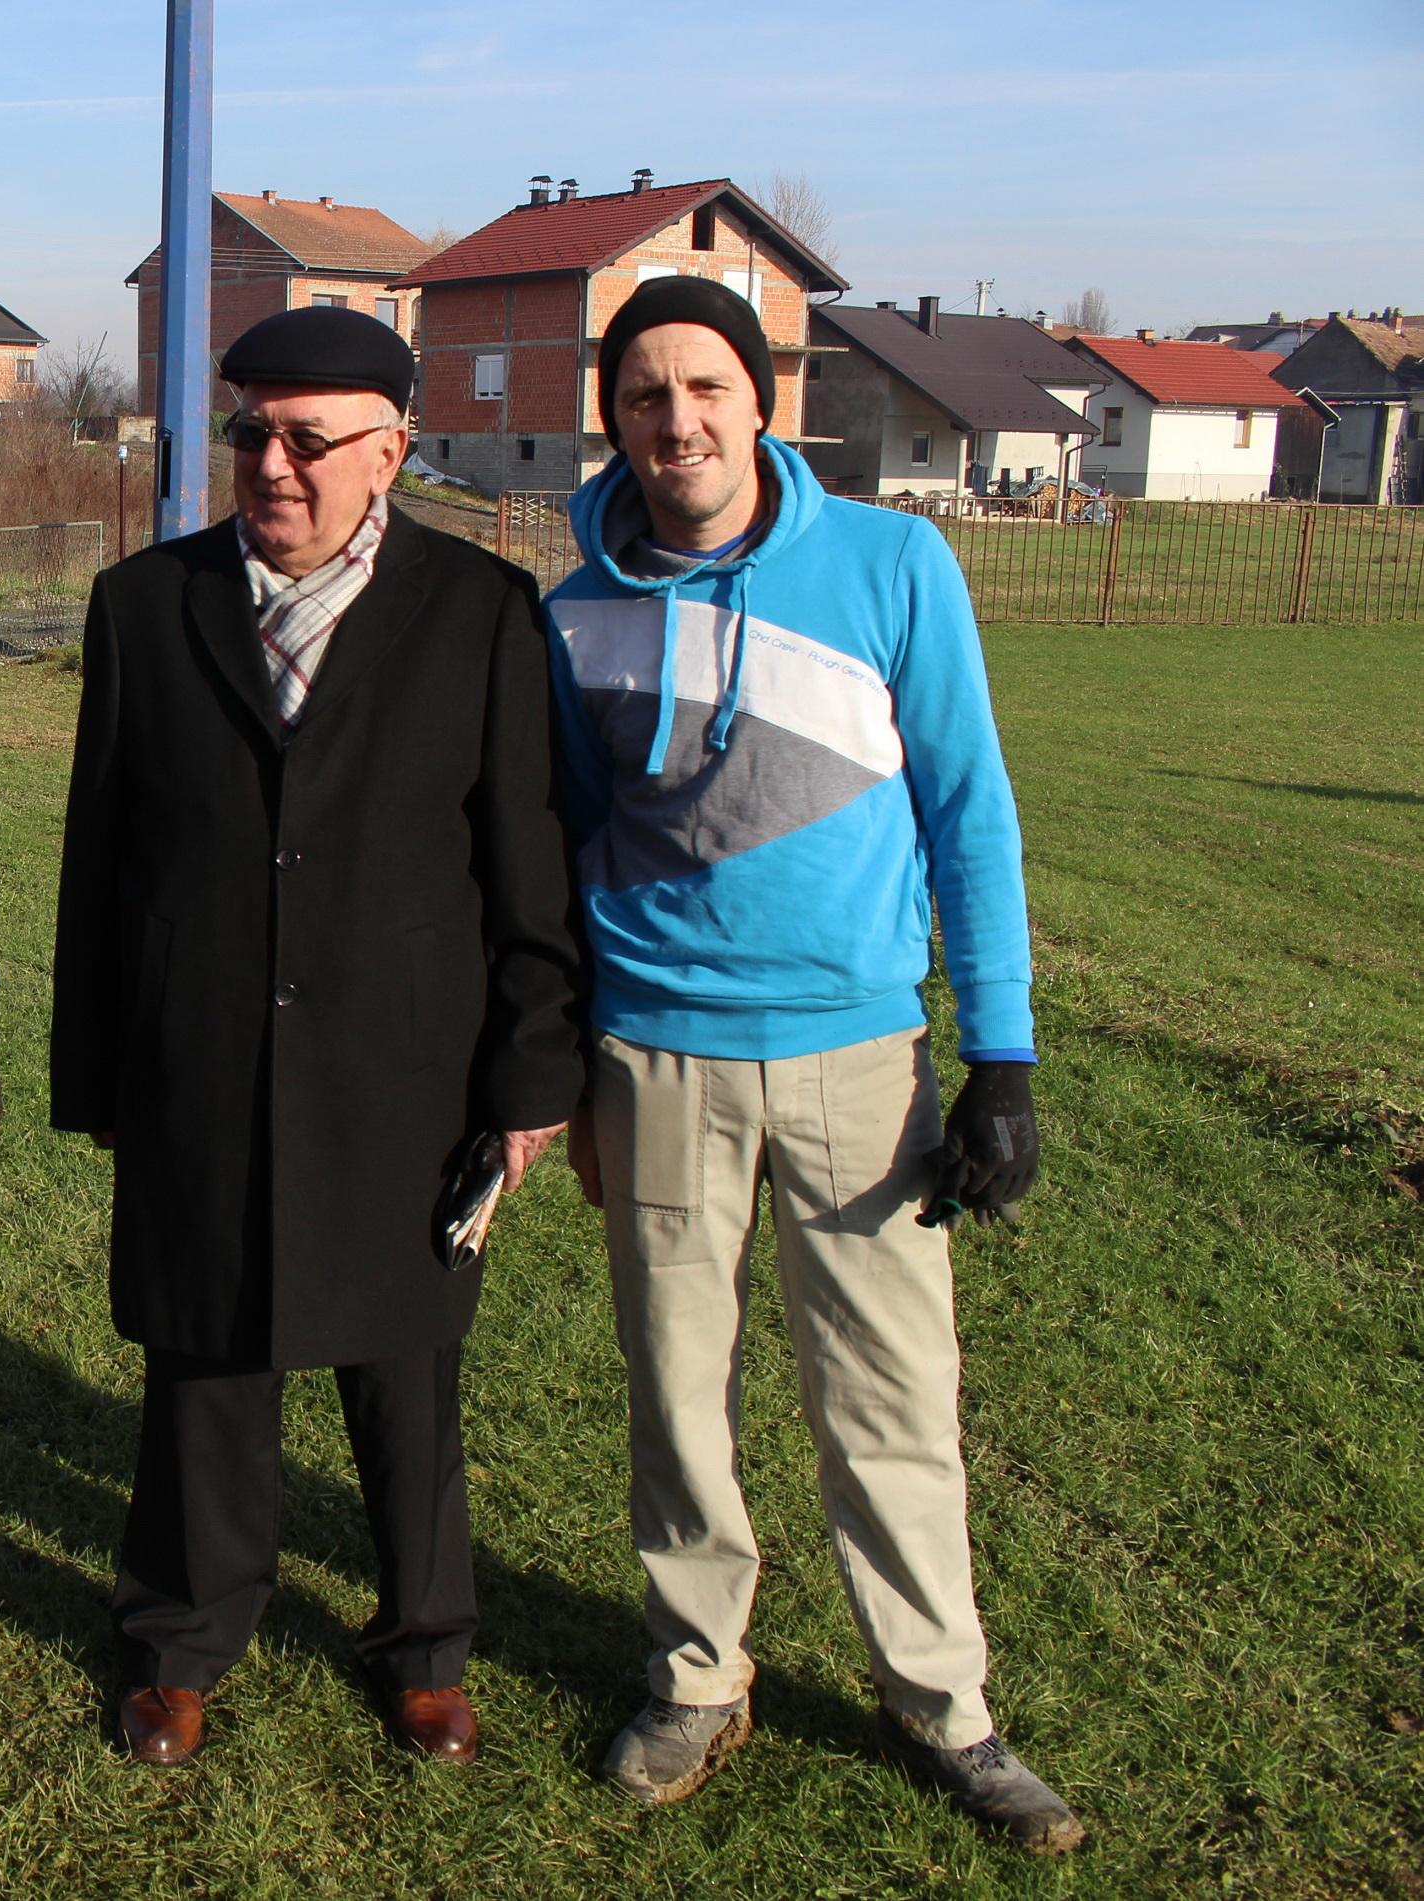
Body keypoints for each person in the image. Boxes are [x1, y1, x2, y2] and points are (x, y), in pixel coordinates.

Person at [543, 275, 1083, 1853]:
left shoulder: (892, 562)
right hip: (654, 1055)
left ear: (760, 396)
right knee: (675, 1392)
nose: (678, 421)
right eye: (644, 395)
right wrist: (572, 1054)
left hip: (859, 1055)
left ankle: (946, 1704)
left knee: (891, 1397)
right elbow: (568, 835)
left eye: (704, 387)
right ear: (613, 416)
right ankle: (699, 1670)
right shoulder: (569, 605)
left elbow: (970, 808)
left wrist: (1003, 1054)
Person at [48, 306, 585, 1768]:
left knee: (405, 1371)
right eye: (250, 434)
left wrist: (534, 1070)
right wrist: (99, 1069)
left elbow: (526, 861)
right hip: (201, 1057)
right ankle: (180, 1635)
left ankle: (425, 1641)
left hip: (402, 1073)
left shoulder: (478, 612)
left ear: (392, 450)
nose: (272, 465)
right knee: (205, 1359)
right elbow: (102, 854)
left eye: (309, 438)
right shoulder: (146, 607)